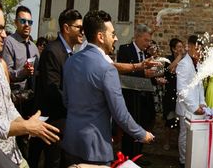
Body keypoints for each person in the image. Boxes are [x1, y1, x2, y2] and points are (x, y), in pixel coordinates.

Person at [61, 10, 154, 166]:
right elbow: (120, 113)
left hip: (70, 141)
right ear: (100, 37)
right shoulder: (107, 69)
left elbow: (66, 100)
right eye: (113, 34)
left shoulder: (71, 61)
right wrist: (142, 134)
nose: (116, 38)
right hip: (95, 148)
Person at [0, 0, 60, 167]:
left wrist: (26, 124)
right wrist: (24, 127)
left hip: (13, 155)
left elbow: (6, 104)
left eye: (4, 28)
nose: (4, 35)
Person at [28, 8, 83, 168]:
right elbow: (53, 91)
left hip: (64, 122)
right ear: (66, 28)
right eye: (79, 27)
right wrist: (77, 105)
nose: (82, 32)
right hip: (52, 124)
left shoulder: (70, 53)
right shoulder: (53, 51)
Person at [2, 6, 39, 158]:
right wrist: (22, 73)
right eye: (23, 21)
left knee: (28, 140)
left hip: (31, 100)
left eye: (30, 22)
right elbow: (6, 73)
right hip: (15, 101)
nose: (27, 25)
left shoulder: (34, 47)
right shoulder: (9, 42)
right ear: (15, 22)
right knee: (17, 141)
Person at [116, 24, 158, 159]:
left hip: (144, 98)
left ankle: (138, 156)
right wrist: (144, 74)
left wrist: (156, 79)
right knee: (130, 130)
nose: (148, 43)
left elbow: (147, 75)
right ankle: (127, 159)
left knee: (143, 127)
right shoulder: (125, 50)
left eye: (149, 41)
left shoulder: (146, 54)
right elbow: (123, 74)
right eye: (146, 40)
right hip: (131, 98)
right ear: (137, 37)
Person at [176, 34, 207, 168]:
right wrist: (194, 106)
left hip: (196, 106)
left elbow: (199, 86)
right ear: (191, 47)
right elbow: (182, 89)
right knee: (185, 135)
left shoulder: (198, 64)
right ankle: (183, 161)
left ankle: (193, 159)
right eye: (199, 49)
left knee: (194, 136)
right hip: (186, 107)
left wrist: (202, 103)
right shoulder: (183, 64)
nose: (201, 52)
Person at [162, 37, 184, 151]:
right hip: (170, 93)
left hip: (181, 94)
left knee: (180, 121)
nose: (181, 49)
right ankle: (166, 142)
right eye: (179, 47)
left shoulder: (185, 61)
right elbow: (169, 70)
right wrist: (179, 57)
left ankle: (179, 143)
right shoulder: (168, 59)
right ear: (173, 49)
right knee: (169, 120)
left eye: (182, 47)